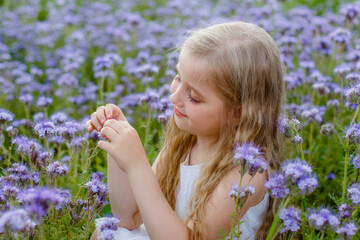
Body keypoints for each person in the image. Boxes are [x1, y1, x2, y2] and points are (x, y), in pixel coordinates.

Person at [86, 21, 284, 240]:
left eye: (194, 97)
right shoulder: (186, 143)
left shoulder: (246, 171)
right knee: (107, 232)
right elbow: (128, 217)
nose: (174, 97)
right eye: (178, 77)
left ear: (237, 114)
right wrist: (117, 147)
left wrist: (137, 164)